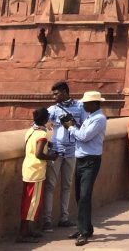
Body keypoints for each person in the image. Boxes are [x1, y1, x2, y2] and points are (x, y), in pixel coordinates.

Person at [65, 91, 108, 247]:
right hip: (82, 159)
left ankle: (83, 232)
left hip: (91, 160)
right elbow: (82, 134)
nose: (83, 105)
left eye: (86, 103)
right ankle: (85, 228)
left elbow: (84, 136)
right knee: (79, 195)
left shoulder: (99, 119)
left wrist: (70, 128)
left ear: (95, 104)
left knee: (84, 196)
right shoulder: (91, 117)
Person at [43, 81, 85, 232]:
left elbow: (85, 126)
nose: (54, 96)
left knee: (67, 186)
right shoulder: (53, 109)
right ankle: (47, 220)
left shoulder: (79, 106)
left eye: (56, 93)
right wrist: (47, 124)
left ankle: (64, 218)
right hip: (55, 151)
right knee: (50, 186)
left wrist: (73, 125)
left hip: (72, 151)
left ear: (65, 92)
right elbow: (41, 121)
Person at [18, 107, 57, 243]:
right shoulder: (42, 134)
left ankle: (27, 230)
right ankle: (23, 233)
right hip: (36, 170)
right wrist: (51, 157)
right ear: (45, 119)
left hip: (28, 167)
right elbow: (39, 154)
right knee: (32, 203)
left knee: (27, 200)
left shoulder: (31, 131)